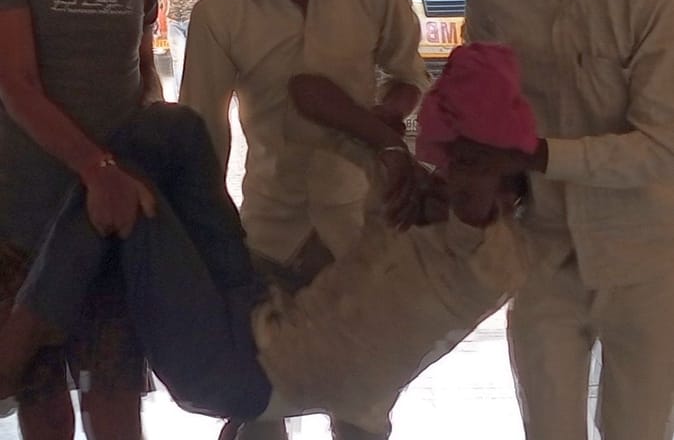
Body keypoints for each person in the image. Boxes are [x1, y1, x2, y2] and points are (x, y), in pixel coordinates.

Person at [0, 43, 532, 440]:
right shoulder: (413, 196)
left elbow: (475, 201)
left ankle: (25, 330)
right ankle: (36, 315)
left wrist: (466, 168)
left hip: (233, 367)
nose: (452, 174)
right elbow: (306, 90)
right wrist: (389, 149)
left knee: (126, 193)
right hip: (254, 301)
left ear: (506, 187)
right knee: (173, 128)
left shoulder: (494, 259)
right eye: (452, 159)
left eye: (472, 164)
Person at [180, 0, 428, 440]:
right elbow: (203, 137)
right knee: (261, 410)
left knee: (364, 412)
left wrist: (382, 119)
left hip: (360, 235)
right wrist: (211, 245)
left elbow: (409, 78)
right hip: (268, 239)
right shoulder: (220, 14)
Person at [464, 0, 674, 440]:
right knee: (549, 429)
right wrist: (479, 180)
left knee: (637, 430)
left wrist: (534, 155)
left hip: (646, 257)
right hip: (541, 253)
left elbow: (661, 148)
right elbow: (489, 111)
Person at [0, 0, 163, 440]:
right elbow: (16, 83)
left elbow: (144, 72)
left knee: (116, 407)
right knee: (43, 409)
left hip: (114, 226)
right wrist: (97, 170)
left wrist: (144, 160)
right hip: (24, 226)